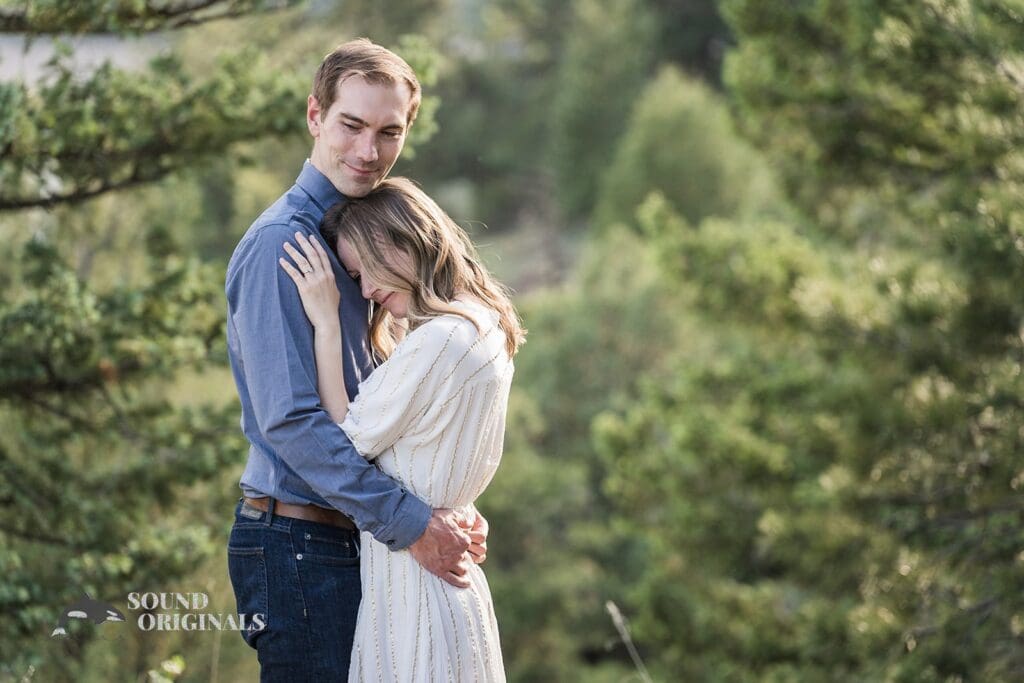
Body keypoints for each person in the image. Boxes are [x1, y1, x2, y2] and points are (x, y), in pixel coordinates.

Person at [225, 39, 488, 681]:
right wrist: (412, 522)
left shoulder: (368, 240)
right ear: (315, 115)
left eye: (388, 132)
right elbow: (293, 425)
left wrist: (443, 505)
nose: (368, 152)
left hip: (351, 539)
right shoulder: (281, 247)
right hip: (299, 547)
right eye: (351, 125)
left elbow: (374, 411)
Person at [279, 176, 524, 682]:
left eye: (362, 271)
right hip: (445, 582)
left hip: (417, 591)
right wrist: (461, 508)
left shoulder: (441, 340)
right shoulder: (484, 327)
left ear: (400, 241)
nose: (365, 291)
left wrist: (327, 324)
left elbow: (345, 439)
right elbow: (439, 450)